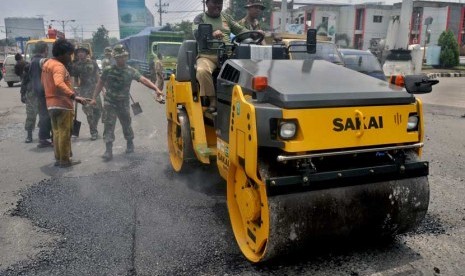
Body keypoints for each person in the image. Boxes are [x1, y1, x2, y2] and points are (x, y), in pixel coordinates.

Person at [90, 44, 164, 161]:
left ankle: (129, 142)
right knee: (109, 125)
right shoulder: (108, 70)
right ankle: (108, 150)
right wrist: (94, 97)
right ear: (115, 58)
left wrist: (156, 89)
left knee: (126, 124)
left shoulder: (131, 71)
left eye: (123, 57)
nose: (122, 59)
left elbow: (143, 80)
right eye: (119, 57)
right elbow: (100, 83)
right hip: (110, 102)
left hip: (123, 102)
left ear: (126, 57)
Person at [41, 39, 89, 168]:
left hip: (51, 104)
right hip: (62, 104)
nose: (70, 57)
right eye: (69, 54)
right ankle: (65, 160)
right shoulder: (58, 66)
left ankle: (58, 158)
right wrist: (74, 96)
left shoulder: (47, 64)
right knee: (64, 132)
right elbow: (58, 83)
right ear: (63, 53)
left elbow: (45, 83)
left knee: (56, 132)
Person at [193, 0, 247, 112]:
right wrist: (211, 34)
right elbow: (196, 33)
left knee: (247, 72)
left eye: (220, 3)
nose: (218, 6)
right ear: (207, 3)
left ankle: (241, 103)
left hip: (228, 56)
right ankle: (213, 101)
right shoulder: (200, 18)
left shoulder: (226, 17)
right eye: (215, 3)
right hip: (207, 56)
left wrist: (254, 33)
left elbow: (241, 30)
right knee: (202, 71)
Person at [72, 45, 102, 140]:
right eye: (78, 52)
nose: (80, 54)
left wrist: (103, 89)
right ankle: (93, 132)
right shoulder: (76, 66)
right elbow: (75, 79)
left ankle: (94, 126)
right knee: (89, 113)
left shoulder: (93, 63)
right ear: (77, 55)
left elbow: (98, 77)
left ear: (86, 53)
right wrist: (76, 89)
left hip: (94, 91)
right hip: (84, 91)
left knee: (98, 111)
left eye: (82, 52)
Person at [28, 42, 54, 148]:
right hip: (45, 93)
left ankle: (43, 138)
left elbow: (30, 77)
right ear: (45, 50)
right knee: (48, 116)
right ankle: (45, 139)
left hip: (37, 92)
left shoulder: (32, 61)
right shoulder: (43, 61)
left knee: (43, 115)